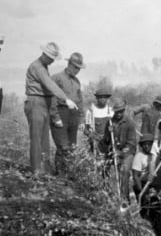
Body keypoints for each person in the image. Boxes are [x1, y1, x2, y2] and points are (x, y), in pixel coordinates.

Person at [24, 42, 79, 175]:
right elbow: (50, 85)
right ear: (45, 55)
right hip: (36, 101)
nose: (52, 61)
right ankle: (36, 170)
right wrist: (66, 99)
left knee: (44, 139)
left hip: (43, 102)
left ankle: (45, 169)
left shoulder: (43, 66)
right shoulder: (37, 67)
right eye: (51, 58)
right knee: (37, 138)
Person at [49, 52, 86, 175]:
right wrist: (55, 117)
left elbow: (80, 102)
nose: (77, 70)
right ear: (69, 64)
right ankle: (60, 176)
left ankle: (69, 175)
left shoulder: (77, 82)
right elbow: (52, 98)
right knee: (62, 147)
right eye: (75, 67)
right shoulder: (57, 78)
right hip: (61, 113)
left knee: (71, 148)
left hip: (73, 116)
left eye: (79, 68)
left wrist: (81, 120)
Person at [99, 98, 137, 202]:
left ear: (124, 110)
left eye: (121, 111)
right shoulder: (110, 122)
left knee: (124, 170)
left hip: (127, 152)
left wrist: (120, 153)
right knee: (103, 167)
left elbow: (132, 143)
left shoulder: (130, 123)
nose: (119, 114)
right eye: (117, 112)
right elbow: (106, 140)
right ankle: (107, 196)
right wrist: (108, 132)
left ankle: (124, 199)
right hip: (113, 151)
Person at [83, 87, 114, 155]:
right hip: (96, 139)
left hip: (108, 140)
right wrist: (91, 135)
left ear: (107, 99)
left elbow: (115, 127)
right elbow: (85, 130)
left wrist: (112, 129)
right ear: (97, 98)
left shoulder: (111, 111)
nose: (103, 99)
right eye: (100, 97)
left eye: (105, 97)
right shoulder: (90, 111)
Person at [131, 133, 155, 213]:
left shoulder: (155, 155)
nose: (146, 146)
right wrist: (142, 191)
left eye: (149, 144)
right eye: (144, 144)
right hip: (142, 184)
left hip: (154, 183)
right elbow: (135, 176)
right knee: (145, 206)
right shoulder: (139, 156)